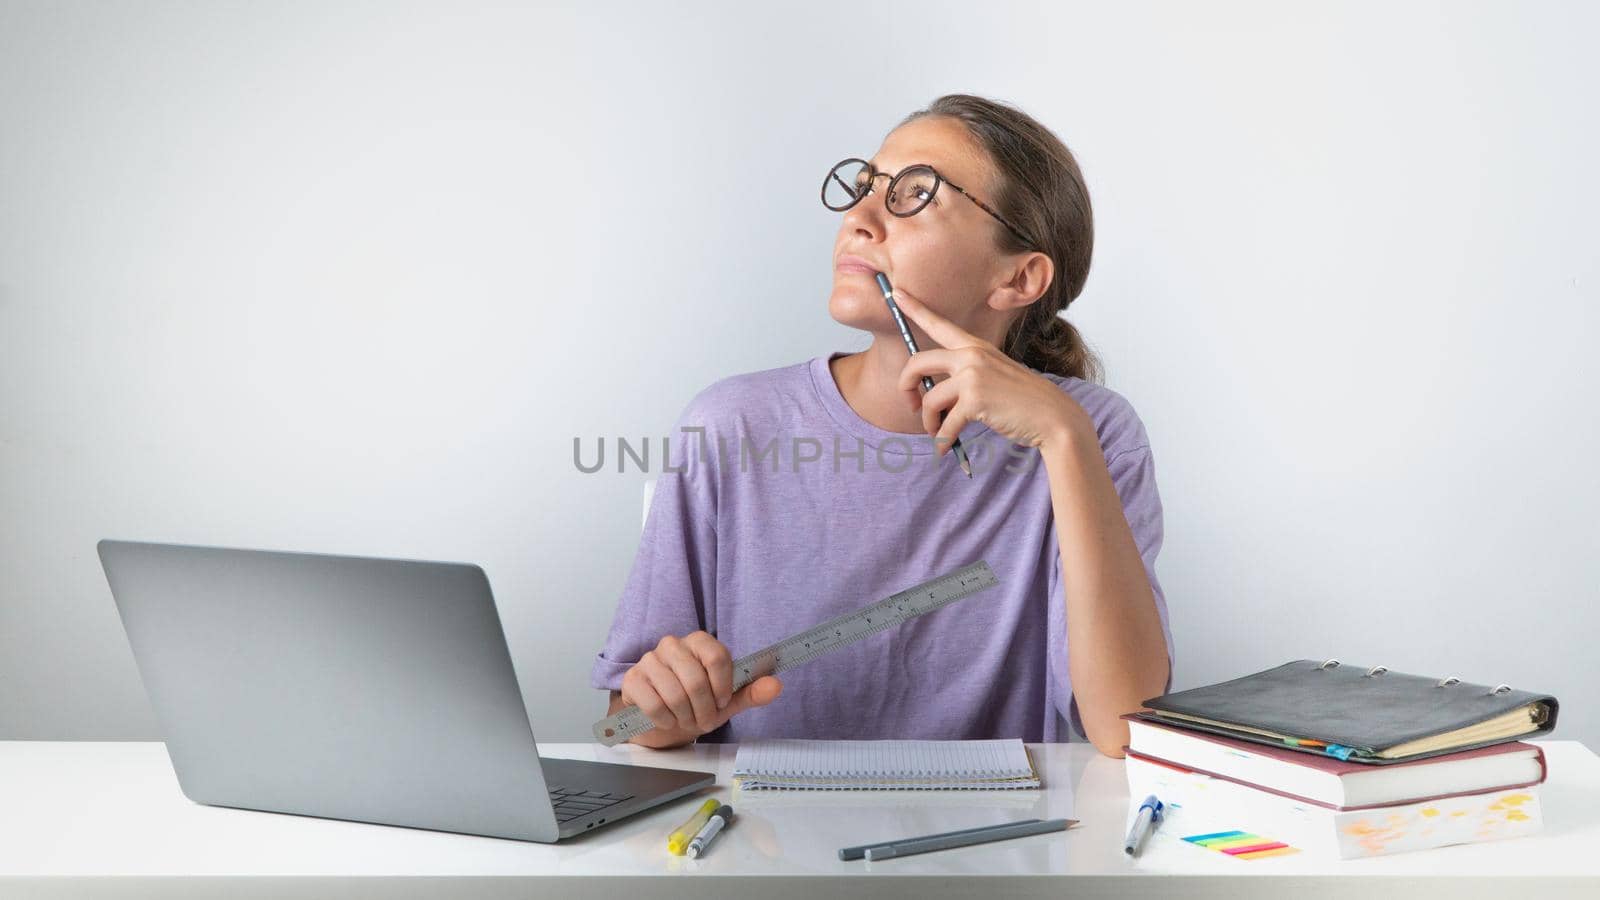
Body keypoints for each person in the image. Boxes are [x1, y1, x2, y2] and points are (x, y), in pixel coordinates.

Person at [591, 94, 1173, 758]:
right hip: (764, 846)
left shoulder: (1091, 432)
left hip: (1005, 847)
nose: (859, 219)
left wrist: (1063, 438)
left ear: (1020, 277)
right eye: (864, 187)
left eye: (915, 195)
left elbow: (1125, 729)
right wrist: (667, 708)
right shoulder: (729, 424)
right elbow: (624, 721)